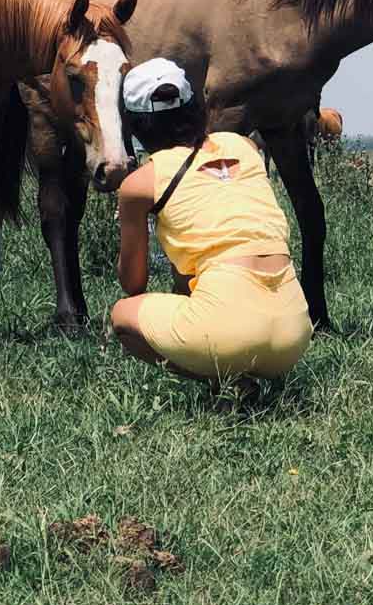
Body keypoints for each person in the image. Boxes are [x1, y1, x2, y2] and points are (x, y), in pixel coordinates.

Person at [107, 59, 312, 383]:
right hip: (295, 334)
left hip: (229, 336)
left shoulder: (140, 184)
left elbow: (134, 284)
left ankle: (227, 382)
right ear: (193, 107)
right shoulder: (245, 146)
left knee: (122, 316)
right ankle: (251, 371)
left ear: (135, 124)